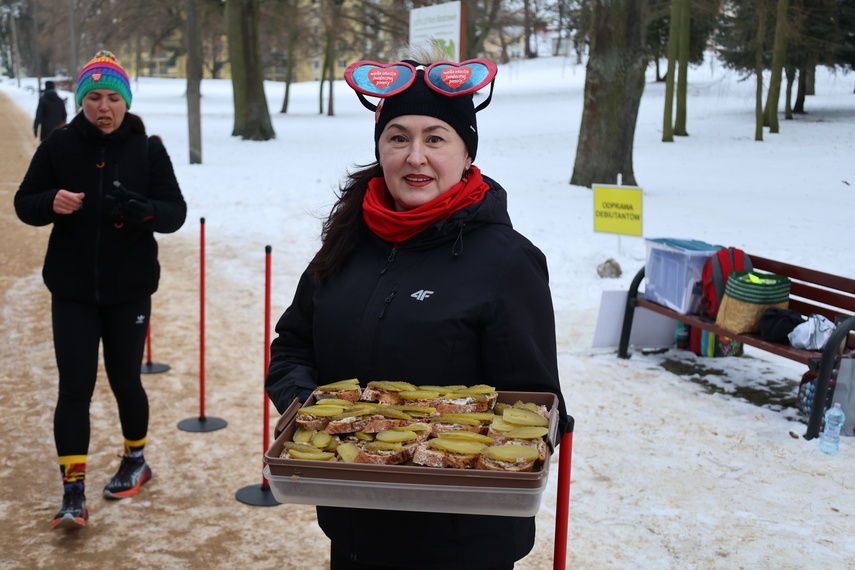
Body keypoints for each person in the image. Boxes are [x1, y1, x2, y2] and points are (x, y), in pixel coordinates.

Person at [265, 48, 570, 570]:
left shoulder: (507, 262)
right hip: (354, 514)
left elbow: (535, 405)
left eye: (435, 138)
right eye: (398, 137)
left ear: (466, 151)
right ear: (380, 148)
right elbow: (293, 346)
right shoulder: (346, 244)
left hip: (459, 538)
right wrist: (316, 416)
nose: (415, 156)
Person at [14, 50, 187, 530]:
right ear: (81, 101)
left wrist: (145, 210)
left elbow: (175, 212)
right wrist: (51, 200)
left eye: (113, 97)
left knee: (124, 380)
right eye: (94, 98)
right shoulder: (59, 146)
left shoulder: (147, 148)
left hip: (129, 288)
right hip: (71, 289)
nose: (104, 107)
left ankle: (136, 460)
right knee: (74, 388)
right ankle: (73, 492)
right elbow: (24, 204)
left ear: (126, 102)